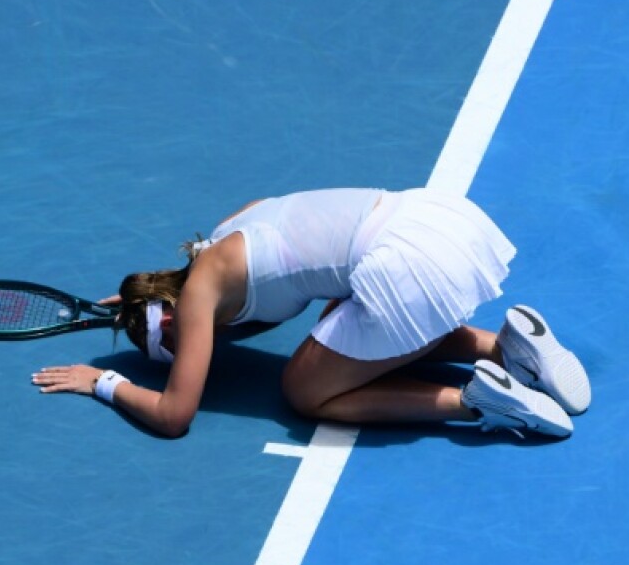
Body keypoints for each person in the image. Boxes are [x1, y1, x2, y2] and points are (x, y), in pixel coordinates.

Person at [31, 188, 591, 439]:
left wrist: (101, 382)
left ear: (174, 318)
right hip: (437, 219)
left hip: (412, 268)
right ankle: (506, 346)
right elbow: (262, 303)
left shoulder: (199, 297)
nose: (197, 354)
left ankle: (475, 403)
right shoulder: (234, 226)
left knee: (304, 390)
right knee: (342, 313)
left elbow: (174, 417)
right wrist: (135, 303)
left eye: (177, 347)